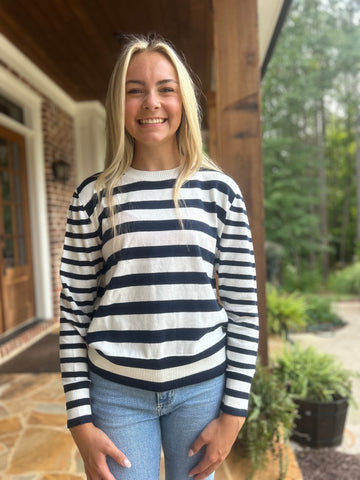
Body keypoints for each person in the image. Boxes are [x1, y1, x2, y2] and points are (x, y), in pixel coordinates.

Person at [59, 34, 259, 480]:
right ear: (119, 102)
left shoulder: (219, 192)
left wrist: (234, 415)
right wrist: (80, 420)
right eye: (136, 90)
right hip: (115, 395)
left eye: (166, 88)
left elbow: (244, 311)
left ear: (183, 100)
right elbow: (74, 316)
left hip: (201, 391)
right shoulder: (92, 197)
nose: (151, 102)